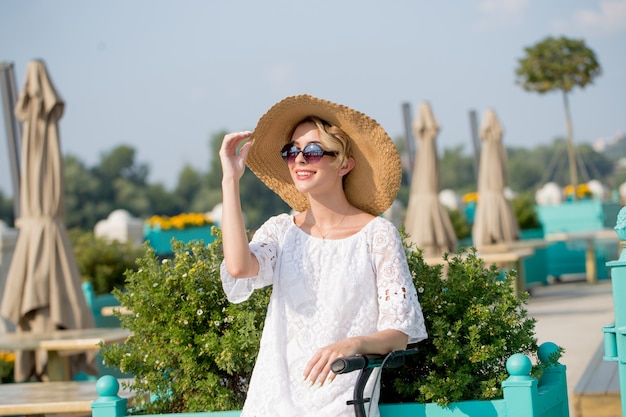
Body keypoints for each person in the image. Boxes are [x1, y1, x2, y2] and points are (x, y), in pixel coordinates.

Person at [219, 94, 427, 417]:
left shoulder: (378, 236)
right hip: (271, 403)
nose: (299, 160)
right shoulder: (280, 232)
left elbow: (398, 334)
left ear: (345, 163)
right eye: (292, 151)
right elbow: (238, 266)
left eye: (313, 151)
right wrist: (230, 180)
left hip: (343, 402)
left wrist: (353, 344)